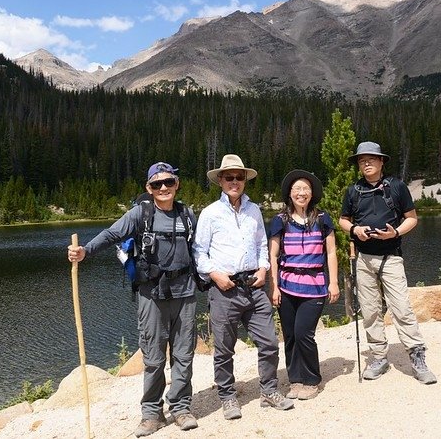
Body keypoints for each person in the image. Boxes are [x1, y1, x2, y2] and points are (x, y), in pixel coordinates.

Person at [67, 162, 199, 437]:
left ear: (177, 184)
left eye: (168, 182)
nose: (163, 188)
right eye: (156, 184)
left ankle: (181, 407)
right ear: (148, 188)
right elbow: (111, 234)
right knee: (153, 356)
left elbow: (202, 247)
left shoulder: (187, 214)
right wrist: (85, 251)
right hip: (151, 293)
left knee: (184, 354)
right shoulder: (140, 214)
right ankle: (152, 414)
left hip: (185, 291)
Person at [193, 154, 294, 420]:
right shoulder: (210, 214)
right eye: (229, 177)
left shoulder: (254, 210)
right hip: (224, 288)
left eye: (239, 177)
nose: (235, 181)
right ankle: (227, 397)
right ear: (220, 181)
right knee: (225, 348)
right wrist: (214, 275)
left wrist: (263, 269)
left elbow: (262, 245)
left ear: (245, 180)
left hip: (254, 285)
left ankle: (269, 391)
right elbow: (199, 253)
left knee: (270, 343)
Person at [338, 142, 437, 385]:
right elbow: (342, 220)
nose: (366, 163)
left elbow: (411, 219)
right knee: (371, 311)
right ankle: (378, 356)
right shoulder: (353, 191)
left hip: (391, 257)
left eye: (371, 159)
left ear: (382, 162)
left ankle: (417, 356)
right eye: (362, 160)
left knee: (401, 308)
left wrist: (395, 233)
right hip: (363, 259)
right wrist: (355, 229)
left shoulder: (396, 187)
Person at [269, 170, 340, 400]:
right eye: (297, 189)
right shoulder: (280, 220)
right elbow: (273, 256)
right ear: (290, 194)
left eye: (305, 189)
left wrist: (334, 282)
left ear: (312, 193)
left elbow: (331, 252)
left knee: (303, 334)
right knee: (289, 335)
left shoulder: (322, 219)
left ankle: (311, 380)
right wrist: (274, 287)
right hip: (287, 285)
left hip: (315, 285)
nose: (301, 193)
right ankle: (295, 379)